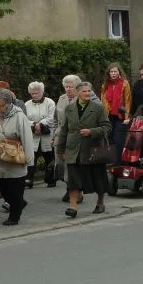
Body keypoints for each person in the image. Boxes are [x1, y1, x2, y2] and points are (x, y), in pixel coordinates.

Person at [56, 82, 110, 218]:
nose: (87, 93)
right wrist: (60, 149)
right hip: (74, 148)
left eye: (89, 91)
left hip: (94, 148)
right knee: (73, 179)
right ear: (77, 93)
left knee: (98, 178)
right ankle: (73, 207)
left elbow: (107, 127)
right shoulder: (69, 108)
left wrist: (91, 131)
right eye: (84, 91)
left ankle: (100, 203)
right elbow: (64, 130)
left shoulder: (98, 108)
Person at [0, 88, 34, 225]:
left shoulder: (20, 116)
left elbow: (27, 138)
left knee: (15, 188)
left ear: (8, 104)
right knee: (1, 185)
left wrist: (29, 159)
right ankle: (19, 203)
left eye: (0, 106)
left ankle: (14, 216)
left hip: (16, 158)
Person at [53, 75, 83, 204]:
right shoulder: (61, 98)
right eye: (66, 86)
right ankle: (69, 188)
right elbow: (55, 119)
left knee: (72, 165)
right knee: (60, 164)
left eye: (70, 86)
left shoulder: (82, 99)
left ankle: (77, 192)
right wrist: (54, 134)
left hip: (75, 137)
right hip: (60, 136)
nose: (68, 89)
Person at [23, 81, 57, 187]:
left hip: (47, 134)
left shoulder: (50, 102)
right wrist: (33, 124)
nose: (34, 95)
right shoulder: (26, 104)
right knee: (32, 157)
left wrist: (40, 124)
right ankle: (29, 180)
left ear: (42, 92)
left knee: (49, 157)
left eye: (36, 93)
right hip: (33, 134)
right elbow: (23, 119)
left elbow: (52, 117)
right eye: (32, 93)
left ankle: (51, 179)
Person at [100, 63, 132, 165]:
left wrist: (127, 117)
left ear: (119, 72)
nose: (113, 73)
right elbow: (103, 101)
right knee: (108, 140)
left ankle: (118, 165)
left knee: (118, 141)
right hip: (108, 116)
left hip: (120, 116)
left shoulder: (124, 83)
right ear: (108, 73)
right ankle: (109, 164)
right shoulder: (105, 85)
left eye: (115, 71)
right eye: (111, 72)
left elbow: (127, 101)